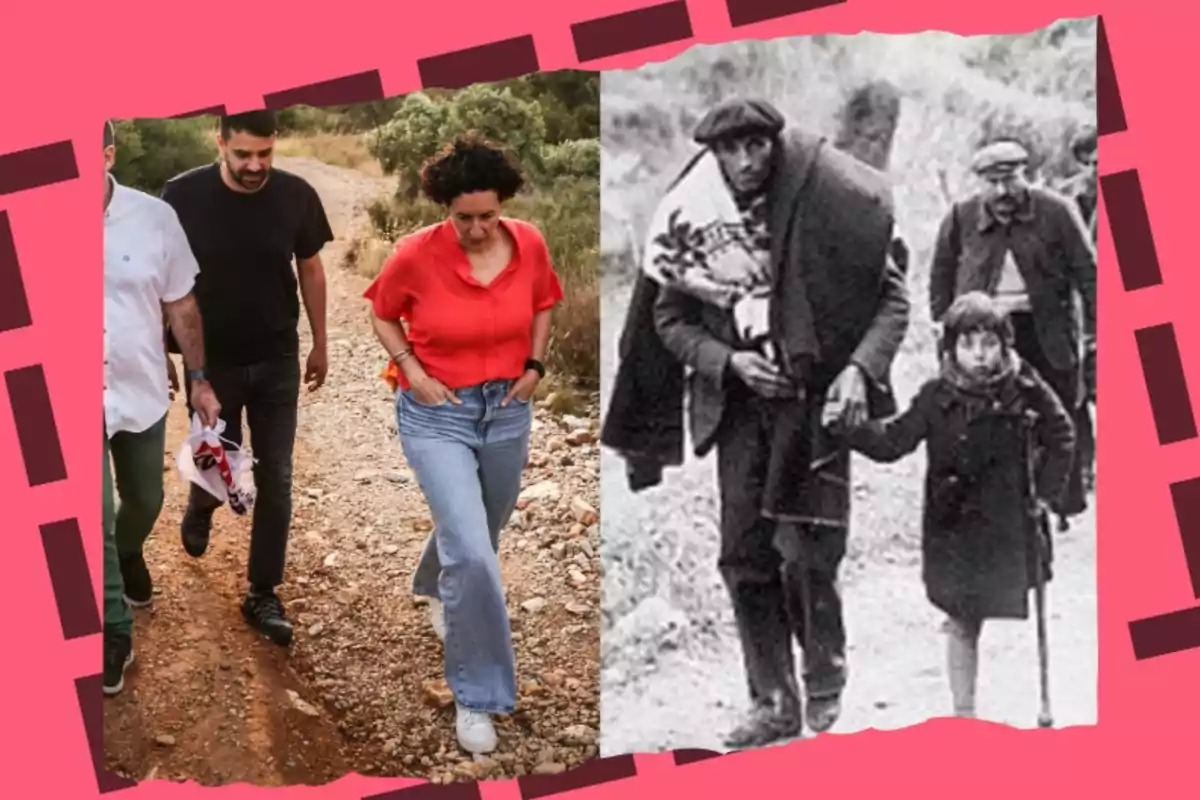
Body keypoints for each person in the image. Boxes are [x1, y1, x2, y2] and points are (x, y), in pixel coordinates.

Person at [602, 97, 910, 748]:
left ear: (775, 145)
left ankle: (824, 662)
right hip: (739, 411)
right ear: (713, 154)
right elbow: (669, 320)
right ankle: (772, 700)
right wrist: (730, 362)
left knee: (806, 554)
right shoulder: (693, 219)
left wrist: (858, 369)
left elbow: (890, 297)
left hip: (813, 403)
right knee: (744, 557)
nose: (746, 162)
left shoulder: (822, 204)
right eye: (731, 150)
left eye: (757, 147)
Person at [364, 134, 563, 755]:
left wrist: (535, 367)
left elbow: (544, 302)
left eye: (488, 216)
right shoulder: (414, 254)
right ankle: (478, 695)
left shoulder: (528, 240)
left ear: (502, 204)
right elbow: (380, 311)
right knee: (475, 555)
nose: (477, 230)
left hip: (507, 409)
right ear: (444, 206)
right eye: (463, 217)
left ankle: (432, 582)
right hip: (437, 412)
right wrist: (412, 373)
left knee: (482, 530)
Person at [845, 292, 1075, 719]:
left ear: (1005, 344)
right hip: (953, 525)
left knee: (987, 607)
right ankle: (963, 714)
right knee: (961, 616)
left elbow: (1062, 434)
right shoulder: (936, 395)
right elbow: (896, 440)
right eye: (967, 345)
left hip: (1008, 521)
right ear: (950, 349)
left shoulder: (1024, 387)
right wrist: (853, 430)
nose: (979, 356)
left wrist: (1044, 493)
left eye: (989, 344)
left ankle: (1020, 704)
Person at [161, 110, 333, 647]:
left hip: (278, 355)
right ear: (221, 143)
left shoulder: (296, 195)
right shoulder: (182, 195)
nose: (255, 165)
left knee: (277, 474)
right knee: (219, 459)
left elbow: (310, 267)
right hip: (210, 362)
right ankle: (202, 502)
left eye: (266, 154)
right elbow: (161, 277)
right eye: (243, 155)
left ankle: (262, 592)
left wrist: (321, 342)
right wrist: (167, 355)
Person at [102, 120, 221, 695]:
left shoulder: (154, 218)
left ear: (106, 154)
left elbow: (182, 303)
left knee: (144, 499)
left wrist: (198, 378)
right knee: (91, 516)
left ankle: (126, 554)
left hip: (140, 387)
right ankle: (111, 631)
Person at [930, 138, 1096, 531]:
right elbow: (941, 276)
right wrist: (945, 328)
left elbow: (1089, 276)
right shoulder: (960, 216)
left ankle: (1056, 500)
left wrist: (1097, 332)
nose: (1003, 191)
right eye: (992, 181)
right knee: (987, 417)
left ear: (1026, 175)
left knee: (1055, 412)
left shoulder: (1057, 211)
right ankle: (990, 503)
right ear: (980, 183)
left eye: (1011, 179)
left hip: (1046, 331)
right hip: (986, 336)